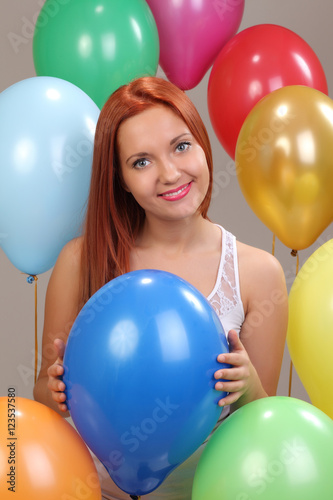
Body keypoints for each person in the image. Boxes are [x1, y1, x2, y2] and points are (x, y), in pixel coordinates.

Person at [33, 76, 288, 499]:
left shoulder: (258, 273)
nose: (170, 173)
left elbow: (263, 430)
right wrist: (56, 390)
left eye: (181, 146)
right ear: (120, 179)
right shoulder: (81, 261)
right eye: (141, 162)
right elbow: (41, 393)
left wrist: (249, 388)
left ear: (203, 145)